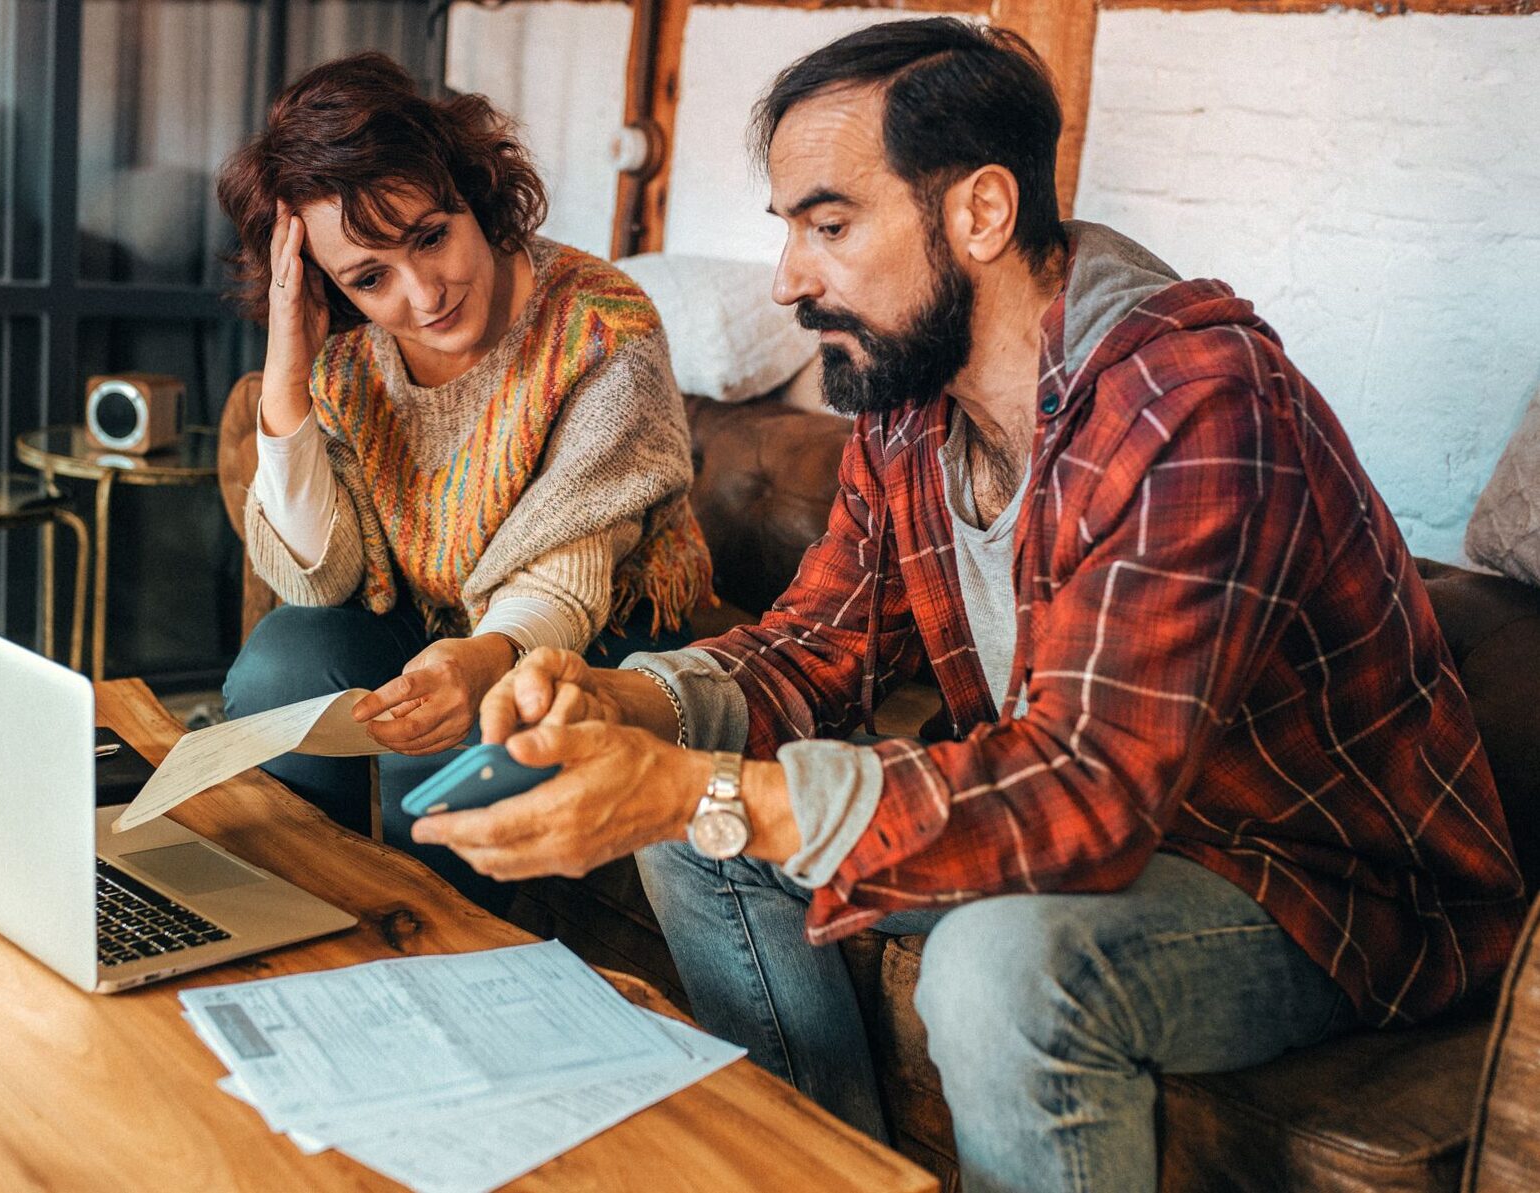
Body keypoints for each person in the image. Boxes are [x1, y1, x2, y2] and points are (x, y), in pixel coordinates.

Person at [410, 18, 1527, 1191]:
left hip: (1316, 886)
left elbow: (1088, 788)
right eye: (789, 232)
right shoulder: (908, 404)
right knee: (695, 820)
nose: (790, 277)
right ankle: (834, 1167)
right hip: (1114, 835)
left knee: (1000, 962)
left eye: (828, 225)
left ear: (979, 214)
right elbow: (809, 647)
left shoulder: (1192, 401)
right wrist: (625, 702)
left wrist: (701, 780)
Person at [214, 53, 711, 913]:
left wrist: (484, 660)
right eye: (369, 278)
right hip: (429, 616)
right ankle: (293, 918)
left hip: (594, 629)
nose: (424, 293)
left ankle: (441, 956)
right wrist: (287, 373)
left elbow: (568, 571)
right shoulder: (342, 355)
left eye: (430, 236)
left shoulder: (600, 327)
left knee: (440, 745)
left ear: (472, 192)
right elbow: (317, 579)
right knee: (278, 665)